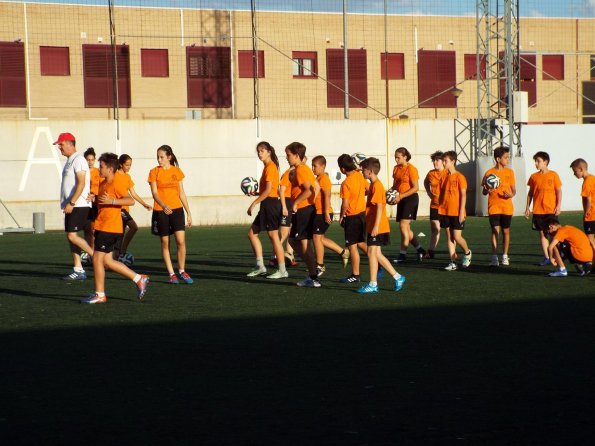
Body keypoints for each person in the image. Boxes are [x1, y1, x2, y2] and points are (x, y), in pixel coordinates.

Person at [80, 153, 149, 304]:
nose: (99, 169)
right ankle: (139, 278)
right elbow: (102, 204)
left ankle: (100, 295)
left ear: (110, 169)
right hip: (103, 226)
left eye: (102, 166)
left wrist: (113, 200)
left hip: (110, 227)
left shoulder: (116, 182)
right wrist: (94, 199)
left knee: (97, 259)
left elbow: (130, 200)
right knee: (107, 262)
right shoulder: (104, 183)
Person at [356, 157, 406, 293]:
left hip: (378, 226)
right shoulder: (373, 185)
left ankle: (373, 284)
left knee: (372, 252)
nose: (362, 171)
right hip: (374, 225)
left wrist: (376, 226)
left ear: (370, 171)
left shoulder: (377, 185)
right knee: (376, 254)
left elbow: (379, 207)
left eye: (364, 170)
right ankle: (398, 277)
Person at [148, 145, 193, 284]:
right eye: (158, 157)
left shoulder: (177, 171)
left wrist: (188, 212)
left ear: (169, 157)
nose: (159, 160)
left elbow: (182, 193)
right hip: (161, 211)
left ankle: (181, 271)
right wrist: (163, 205)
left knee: (180, 241)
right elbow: (154, 193)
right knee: (165, 243)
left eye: (161, 157)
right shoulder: (154, 172)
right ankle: (171, 274)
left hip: (177, 210)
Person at [54, 132, 94, 281]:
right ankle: (78, 269)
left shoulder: (79, 160)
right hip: (72, 206)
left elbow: (81, 183)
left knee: (72, 235)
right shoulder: (70, 160)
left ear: (70, 144)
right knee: (71, 237)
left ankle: (95, 257)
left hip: (79, 205)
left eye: (61, 144)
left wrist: (72, 203)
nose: (59, 147)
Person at [245, 141, 288, 279]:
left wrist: (253, 203)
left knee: (274, 237)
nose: (260, 153)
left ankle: (282, 270)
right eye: (258, 151)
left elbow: (270, 191)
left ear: (269, 151)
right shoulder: (267, 167)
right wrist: (256, 193)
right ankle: (260, 266)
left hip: (270, 205)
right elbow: (267, 190)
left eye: (262, 150)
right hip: (266, 204)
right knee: (252, 234)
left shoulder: (271, 167)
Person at [285, 142, 320, 287]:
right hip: (306, 209)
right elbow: (316, 187)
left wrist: (296, 203)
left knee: (299, 244)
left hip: (303, 211)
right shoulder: (304, 169)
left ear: (297, 156)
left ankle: (313, 275)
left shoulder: (300, 170)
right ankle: (313, 275)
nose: (286, 158)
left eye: (288, 155)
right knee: (296, 242)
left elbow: (309, 190)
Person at [311, 155, 350, 277]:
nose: (313, 168)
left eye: (315, 166)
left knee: (316, 238)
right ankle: (343, 252)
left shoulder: (324, 179)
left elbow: (327, 196)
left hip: (323, 212)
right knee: (319, 239)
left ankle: (320, 266)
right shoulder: (318, 179)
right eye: (312, 166)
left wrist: (327, 212)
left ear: (322, 166)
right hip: (317, 212)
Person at [525, 151, 562, 266]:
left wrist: (558, 205)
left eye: (538, 161)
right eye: (535, 161)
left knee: (554, 233)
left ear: (545, 162)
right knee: (542, 234)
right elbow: (530, 193)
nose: (536, 163)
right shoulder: (534, 177)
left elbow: (559, 191)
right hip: (538, 211)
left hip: (550, 210)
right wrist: (527, 207)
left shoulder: (554, 175)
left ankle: (558, 255)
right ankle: (547, 257)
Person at [481, 146, 516, 266]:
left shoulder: (510, 172)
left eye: (508, 157)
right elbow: (484, 192)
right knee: (495, 231)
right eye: (506, 157)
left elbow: (514, 190)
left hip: (507, 207)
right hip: (494, 207)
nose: (508, 160)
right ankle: (494, 256)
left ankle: (505, 256)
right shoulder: (489, 173)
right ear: (498, 159)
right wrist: (487, 190)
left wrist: (510, 194)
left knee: (506, 231)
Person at [439, 150, 472, 271]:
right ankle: (453, 262)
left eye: (445, 160)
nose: (443, 163)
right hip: (444, 211)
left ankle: (467, 253)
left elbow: (463, 195)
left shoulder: (460, 177)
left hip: (456, 212)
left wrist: (461, 211)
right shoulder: (443, 176)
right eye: (443, 160)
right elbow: (442, 193)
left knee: (457, 237)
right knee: (449, 237)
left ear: (453, 161)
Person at [391, 147, 426, 263]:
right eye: (395, 157)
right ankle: (421, 250)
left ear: (405, 157)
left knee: (402, 226)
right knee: (406, 228)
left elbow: (416, 188)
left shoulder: (411, 169)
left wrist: (401, 196)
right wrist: (390, 195)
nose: (396, 159)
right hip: (401, 198)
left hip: (410, 198)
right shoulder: (396, 169)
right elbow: (395, 185)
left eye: (398, 157)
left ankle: (402, 255)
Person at [338, 153, 368, 284]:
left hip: (352, 217)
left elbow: (345, 204)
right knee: (360, 242)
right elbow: (368, 189)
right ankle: (378, 261)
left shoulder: (346, 183)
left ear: (343, 169)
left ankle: (356, 275)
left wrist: (340, 216)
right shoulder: (359, 176)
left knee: (352, 247)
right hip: (362, 214)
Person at [116, 154, 152, 261]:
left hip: (125, 209)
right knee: (133, 227)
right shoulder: (114, 175)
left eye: (130, 165)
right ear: (121, 164)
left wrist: (144, 204)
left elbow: (133, 194)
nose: (128, 167)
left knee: (121, 233)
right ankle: (119, 253)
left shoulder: (127, 177)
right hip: (118, 209)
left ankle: (119, 254)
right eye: (127, 165)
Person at [570, 158, 595, 261]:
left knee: (590, 240)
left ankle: (593, 261)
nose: (574, 174)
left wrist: (586, 212)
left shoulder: (587, 182)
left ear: (581, 169)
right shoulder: (593, 178)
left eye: (575, 171)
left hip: (591, 215)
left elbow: (588, 199)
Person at [423, 150, 446, 259]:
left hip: (446, 206)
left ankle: (452, 253)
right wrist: (428, 192)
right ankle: (431, 251)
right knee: (435, 229)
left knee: (449, 231)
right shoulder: (431, 173)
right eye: (434, 160)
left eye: (437, 160)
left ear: (443, 161)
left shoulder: (448, 173)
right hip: (434, 205)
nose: (435, 162)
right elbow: (425, 182)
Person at [83, 147, 100, 263]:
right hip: (84, 202)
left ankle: (94, 252)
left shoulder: (97, 172)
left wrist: (93, 194)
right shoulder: (82, 171)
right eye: (88, 160)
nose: (90, 162)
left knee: (94, 229)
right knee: (87, 229)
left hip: (94, 203)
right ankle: (89, 251)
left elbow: (97, 185)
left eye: (92, 160)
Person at [278, 165, 298, 267]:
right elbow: (281, 190)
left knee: (291, 231)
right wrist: (284, 207)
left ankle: (290, 255)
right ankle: (274, 257)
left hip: (293, 201)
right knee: (284, 233)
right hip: (287, 202)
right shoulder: (288, 173)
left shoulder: (298, 171)